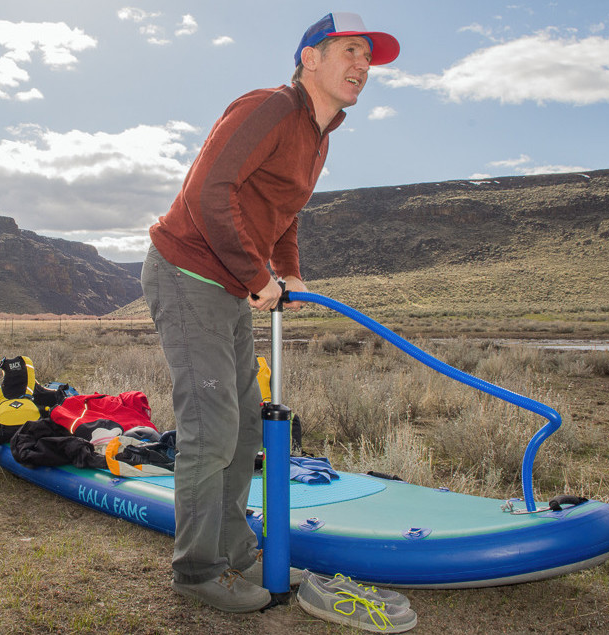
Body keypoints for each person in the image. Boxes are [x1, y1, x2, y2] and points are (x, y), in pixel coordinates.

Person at [140, 12, 400, 613]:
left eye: (369, 57)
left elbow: (283, 208)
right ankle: (197, 571)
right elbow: (209, 192)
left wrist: (289, 271)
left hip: (231, 285)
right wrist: (259, 277)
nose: (363, 66)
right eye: (351, 51)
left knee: (246, 428)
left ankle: (234, 553)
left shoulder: (319, 134)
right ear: (310, 58)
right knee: (210, 430)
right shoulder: (269, 108)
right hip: (188, 274)